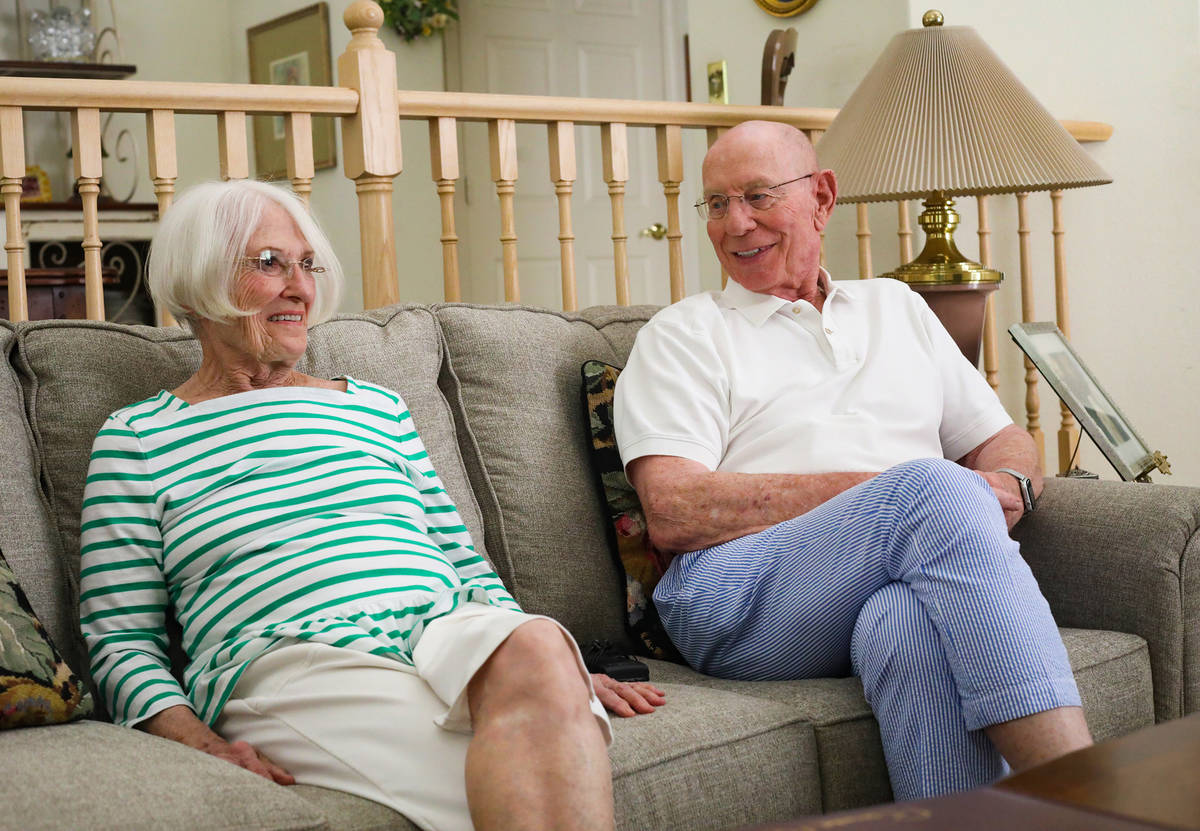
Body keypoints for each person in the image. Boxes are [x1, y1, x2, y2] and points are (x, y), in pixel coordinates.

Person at [79, 179, 664, 831]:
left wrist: (565, 672)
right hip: (293, 657)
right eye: (270, 263)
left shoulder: (374, 406)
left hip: (441, 631)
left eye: (308, 264)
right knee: (527, 768)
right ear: (199, 278)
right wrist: (202, 741)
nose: (300, 287)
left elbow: (463, 562)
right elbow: (122, 639)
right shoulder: (139, 439)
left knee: (537, 645)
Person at [612, 120, 1092, 800]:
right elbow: (673, 509)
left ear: (822, 197)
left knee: (903, 623)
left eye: (756, 195)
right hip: (735, 593)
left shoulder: (894, 306)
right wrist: (890, 495)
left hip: (878, 577)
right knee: (930, 488)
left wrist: (1009, 483)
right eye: (717, 204)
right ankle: (1086, 796)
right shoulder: (686, 334)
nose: (736, 222)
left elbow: (1002, 437)